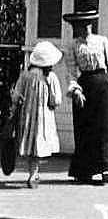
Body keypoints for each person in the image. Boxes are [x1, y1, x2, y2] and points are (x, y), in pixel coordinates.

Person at [63, 9, 108, 184]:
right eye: (77, 25)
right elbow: (71, 72)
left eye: (84, 24)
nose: (81, 28)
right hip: (85, 88)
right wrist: (76, 90)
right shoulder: (72, 46)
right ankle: (84, 169)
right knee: (85, 129)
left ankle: (107, 168)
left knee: (106, 128)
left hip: (104, 88)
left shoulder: (102, 42)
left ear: (90, 25)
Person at [9, 41, 63, 188]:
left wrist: (15, 107)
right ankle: (34, 173)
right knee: (39, 143)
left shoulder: (25, 75)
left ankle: (32, 172)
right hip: (43, 117)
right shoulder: (50, 77)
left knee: (30, 143)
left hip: (27, 115)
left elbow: (16, 95)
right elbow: (56, 100)